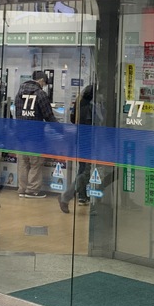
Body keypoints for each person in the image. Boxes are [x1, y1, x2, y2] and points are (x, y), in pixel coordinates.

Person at [14, 70, 56, 198]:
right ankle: (32, 190)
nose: (44, 86)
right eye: (44, 83)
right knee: (35, 163)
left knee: (23, 162)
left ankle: (22, 189)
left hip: (20, 134)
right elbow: (48, 116)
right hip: (34, 135)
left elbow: (17, 113)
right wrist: (61, 130)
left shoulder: (19, 93)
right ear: (41, 81)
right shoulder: (40, 94)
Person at [60, 84, 95, 213]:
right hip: (89, 141)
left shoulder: (79, 102)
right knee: (86, 172)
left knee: (83, 169)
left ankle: (82, 196)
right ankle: (67, 197)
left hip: (80, 140)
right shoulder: (91, 106)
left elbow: (72, 118)